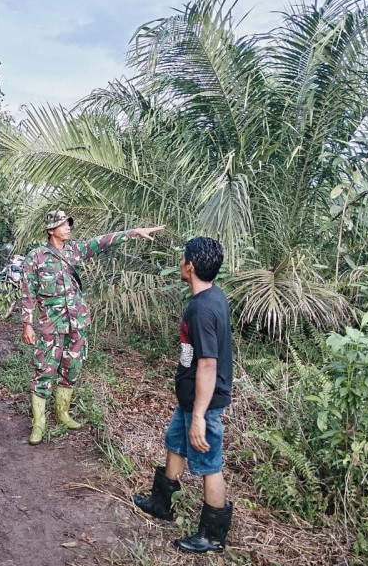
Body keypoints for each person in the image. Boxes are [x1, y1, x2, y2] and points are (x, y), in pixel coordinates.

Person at [20, 209, 165, 445]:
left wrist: (134, 232)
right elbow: (27, 294)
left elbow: (102, 242)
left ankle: (63, 413)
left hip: (77, 324)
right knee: (44, 370)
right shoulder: (36, 257)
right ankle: (39, 423)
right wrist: (27, 324)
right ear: (50, 230)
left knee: (72, 368)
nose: (68, 227)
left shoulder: (75, 251)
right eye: (62, 224)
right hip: (51, 326)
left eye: (68, 223)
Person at [132, 237, 233, 553]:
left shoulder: (203, 310)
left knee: (208, 463)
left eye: (182, 258)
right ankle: (161, 503)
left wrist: (200, 417)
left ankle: (213, 536)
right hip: (190, 398)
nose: (180, 263)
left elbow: (207, 364)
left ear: (190, 266)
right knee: (175, 442)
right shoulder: (210, 296)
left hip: (204, 403)